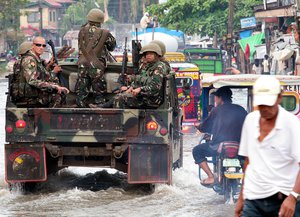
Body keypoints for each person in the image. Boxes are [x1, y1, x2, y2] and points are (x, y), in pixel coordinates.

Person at [235, 76, 300, 217]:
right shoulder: (250, 121)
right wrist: (241, 197)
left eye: (268, 104)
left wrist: (293, 197)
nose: (265, 109)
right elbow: (248, 162)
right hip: (253, 199)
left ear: (279, 98)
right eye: (261, 104)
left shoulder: (292, 124)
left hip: (284, 201)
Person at [192, 86, 247, 186]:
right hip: (240, 147)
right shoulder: (241, 109)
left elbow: (205, 127)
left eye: (216, 98)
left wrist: (198, 126)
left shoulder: (216, 110)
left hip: (219, 147)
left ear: (220, 98)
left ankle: (211, 177)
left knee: (197, 150)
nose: (215, 100)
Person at [93, 43, 166, 108]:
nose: (148, 56)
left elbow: (155, 87)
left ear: (156, 55)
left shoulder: (159, 67)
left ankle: (114, 117)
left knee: (120, 99)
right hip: (144, 96)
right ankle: (103, 106)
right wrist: (129, 87)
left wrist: (140, 89)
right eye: (147, 54)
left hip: (152, 99)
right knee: (120, 94)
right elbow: (141, 81)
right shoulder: (147, 66)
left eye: (151, 54)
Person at [76, 8, 116, 108]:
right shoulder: (105, 33)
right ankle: (99, 105)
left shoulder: (81, 31)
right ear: (101, 20)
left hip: (82, 64)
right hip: (96, 66)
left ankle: (80, 105)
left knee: (82, 89)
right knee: (98, 90)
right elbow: (111, 47)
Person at [20, 36, 69, 107]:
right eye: (38, 45)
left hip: (35, 93)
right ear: (33, 46)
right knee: (57, 96)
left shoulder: (37, 59)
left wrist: (49, 65)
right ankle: (52, 117)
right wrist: (53, 86)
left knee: (61, 92)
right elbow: (32, 81)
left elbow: (43, 75)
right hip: (30, 96)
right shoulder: (29, 60)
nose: (41, 47)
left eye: (43, 45)